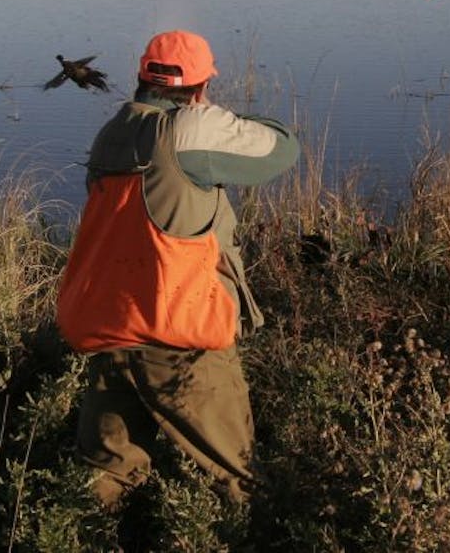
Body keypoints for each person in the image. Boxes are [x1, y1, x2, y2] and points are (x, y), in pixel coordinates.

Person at [55, 29, 299, 507]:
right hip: (179, 332)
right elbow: (282, 149)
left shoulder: (113, 133)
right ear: (201, 88)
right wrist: (221, 118)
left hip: (111, 332)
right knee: (240, 484)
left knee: (105, 479)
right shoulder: (192, 130)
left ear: (142, 78)